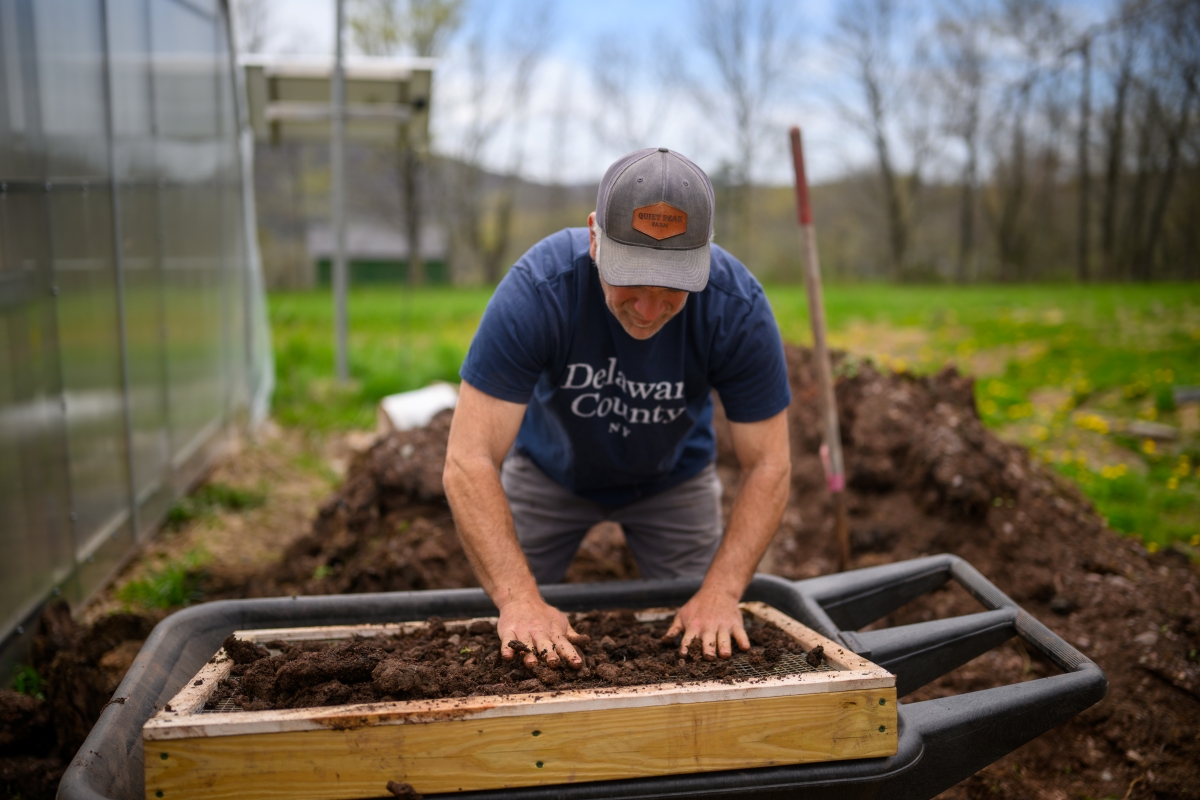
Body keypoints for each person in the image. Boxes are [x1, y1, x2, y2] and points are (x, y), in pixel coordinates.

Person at [443, 147, 792, 673]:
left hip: (673, 482)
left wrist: (722, 592)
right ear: (594, 237)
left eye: (673, 285)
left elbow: (769, 462)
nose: (650, 309)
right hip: (549, 476)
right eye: (632, 277)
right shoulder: (539, 291)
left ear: (704, 255)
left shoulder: (734, 307)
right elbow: (468, 458)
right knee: (509, 632)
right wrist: (518, 599)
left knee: (709, 636)